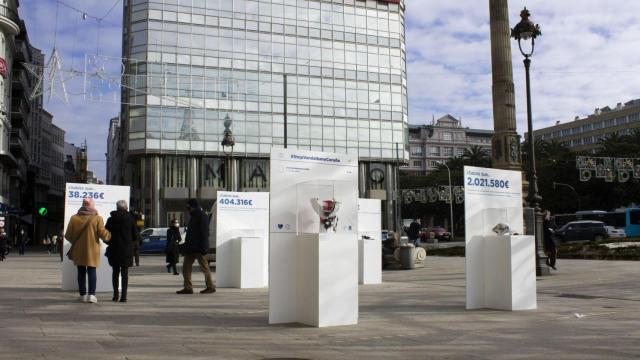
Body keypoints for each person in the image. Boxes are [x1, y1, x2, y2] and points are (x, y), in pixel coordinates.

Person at [65, 198, 111, 303]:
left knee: (80, 272)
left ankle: (82, 295)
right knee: (92, 271)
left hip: (78, 250)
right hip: (92, 250)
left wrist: (77, 243)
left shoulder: (74, 218)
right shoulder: (97, 218)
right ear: (91, 206)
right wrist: (110, 236)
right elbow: (103, 234)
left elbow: (67, 235)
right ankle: (91, 295)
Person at [176, 199, 215, 294]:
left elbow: (205, 233)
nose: (187, 209)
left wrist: (204, 247)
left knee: (204, 267)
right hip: (190, 247)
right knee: (186, 268)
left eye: (188, 207)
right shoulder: (193, 216)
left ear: (192, 207)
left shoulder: (202, 216)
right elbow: (191, 233)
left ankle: (210, 286)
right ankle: (188, 287)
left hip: (199, 247)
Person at [105, 200, 139, 303]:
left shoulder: (111, 219)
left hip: (114, 248)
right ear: (126, 208)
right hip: (126, 249)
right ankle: (123, 297)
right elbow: (135, 235)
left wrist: (109, 242)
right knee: (125, 273)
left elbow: (105, 233)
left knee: (115, 272)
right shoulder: (131, 219)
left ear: (117, 207)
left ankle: (115, 295)